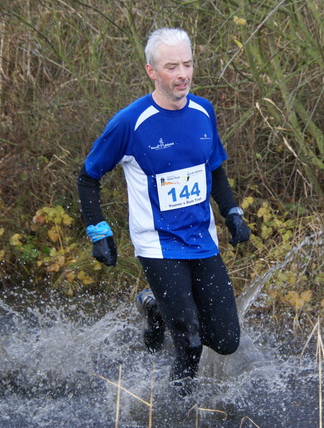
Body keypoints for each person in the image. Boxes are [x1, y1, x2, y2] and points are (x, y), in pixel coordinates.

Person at [77, 27, 250, 396]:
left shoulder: (204, 111)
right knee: (189, 343)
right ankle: (177, 413)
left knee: (226, 339)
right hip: (157, 244)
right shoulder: (130, 123)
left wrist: (231, 211)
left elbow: (214, 169)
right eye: (172, 66)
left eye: (187, 64)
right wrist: (98, 231)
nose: (183, 74)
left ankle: (153, 305)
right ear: (152, 71)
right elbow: (87, 177)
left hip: (202, 239)